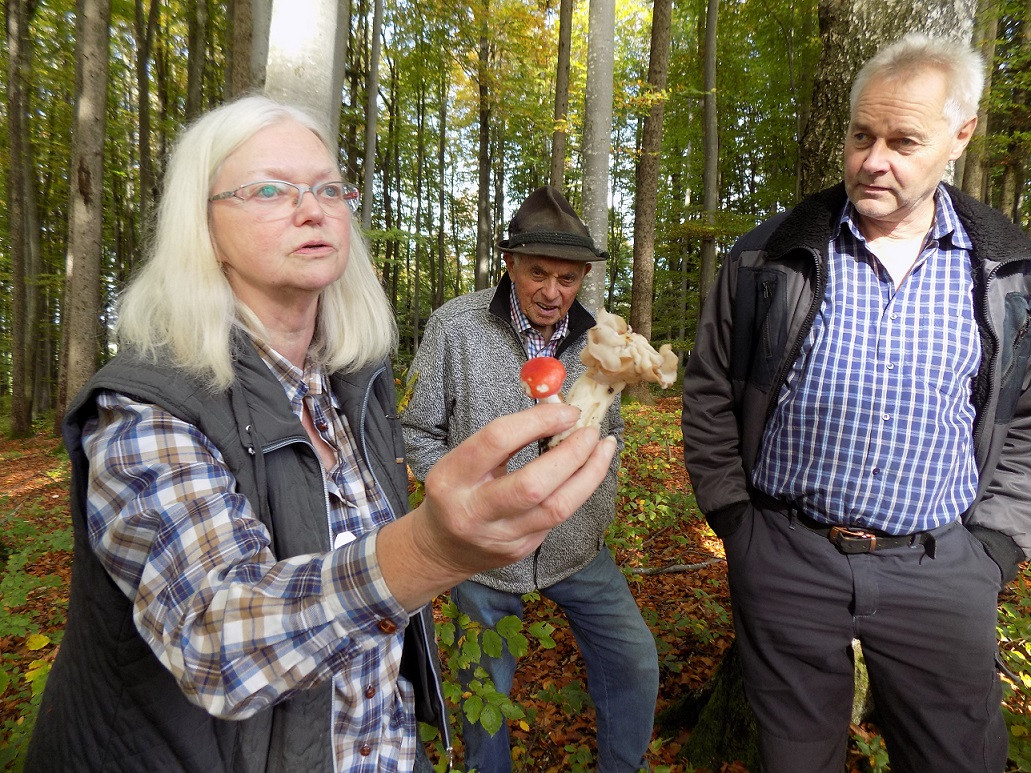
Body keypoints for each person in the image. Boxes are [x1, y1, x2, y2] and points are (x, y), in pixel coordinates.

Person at [26, 97, 617, 773]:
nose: (312, 208)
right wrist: (431, 548)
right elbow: (215, 640)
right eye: (270, 189)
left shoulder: (353, 382)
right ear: (202, 225)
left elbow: (373, 655)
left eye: (330, 188)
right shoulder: (143, 405)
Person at [682, 32, 1031, 773]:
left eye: (903, 140)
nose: (874, 160)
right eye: (861, 135)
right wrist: (737, 525)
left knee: (956, 759)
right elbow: (709, 388)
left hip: (939, 567)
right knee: (795, 760)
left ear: (958, 135)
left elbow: (1027, 420)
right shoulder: (765, 255)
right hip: (786, 556)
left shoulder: (1008, 271)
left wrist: (994, 549)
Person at [402, 186, 659, 773]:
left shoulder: (600, 343)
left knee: (635, 662)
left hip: (575, 547)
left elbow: (610, 429)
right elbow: (415, 428)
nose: (552, 291)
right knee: (481, 689)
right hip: (482, 552)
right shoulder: (455, 328)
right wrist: (460, 508)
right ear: (510, 264)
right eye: (538, 272)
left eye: (568, 279)